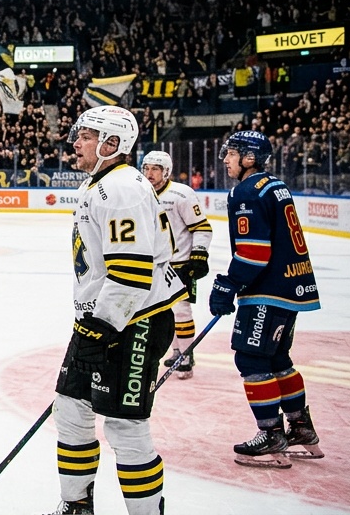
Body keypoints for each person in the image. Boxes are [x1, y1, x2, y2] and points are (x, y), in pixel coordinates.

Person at [43, 106, 186, 515]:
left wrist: (102, 326)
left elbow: (131, 273)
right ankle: (76, 505)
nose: (76, 142)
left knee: (125, 426)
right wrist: (93, 325)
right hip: (101, 322)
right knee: (70, 410)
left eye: (86, 136)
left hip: (132, 323)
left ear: (111, 144)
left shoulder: (121, 188)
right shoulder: (102, 183)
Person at [210, 130, 323, 468]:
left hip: (268, 290)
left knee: (251, 359)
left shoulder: (246, 191)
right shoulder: (276, 186)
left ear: (249, 158)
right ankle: (301, 428)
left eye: (231, 154)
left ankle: (271, 432)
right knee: (277, 360)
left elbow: (255, 253)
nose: (226, 160)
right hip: (292, 287)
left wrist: (229, 283)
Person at [140, 150, 213, 379]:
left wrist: (199, 255)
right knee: (163, 311)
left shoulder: (181, 194)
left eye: (155, 169)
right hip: (155, 265)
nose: (149, 174)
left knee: (181, 311)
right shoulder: (140, 193)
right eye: (146, 168)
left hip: (180, 264)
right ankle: (176, 350)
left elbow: (201, 227)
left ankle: (187, 355)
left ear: (166, 171)